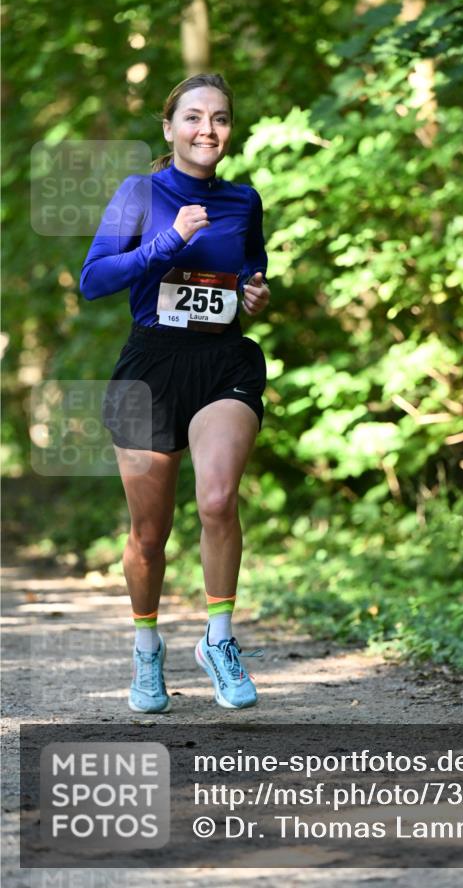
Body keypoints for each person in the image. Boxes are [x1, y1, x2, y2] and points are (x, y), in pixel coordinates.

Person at [79, 72, 270, 713]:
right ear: (169, 128)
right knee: (148, 535)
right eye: (193, 117)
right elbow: (93, 280)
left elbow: (250, 267)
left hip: (223, 362)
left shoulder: (244, 200)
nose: (206, 129)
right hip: (151, 369)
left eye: (219, 118)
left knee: (217, 499)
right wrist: (168, 241)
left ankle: (219, 639)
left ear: (229, 130)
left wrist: (255, 291)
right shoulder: (140, 193)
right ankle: (146, 647)